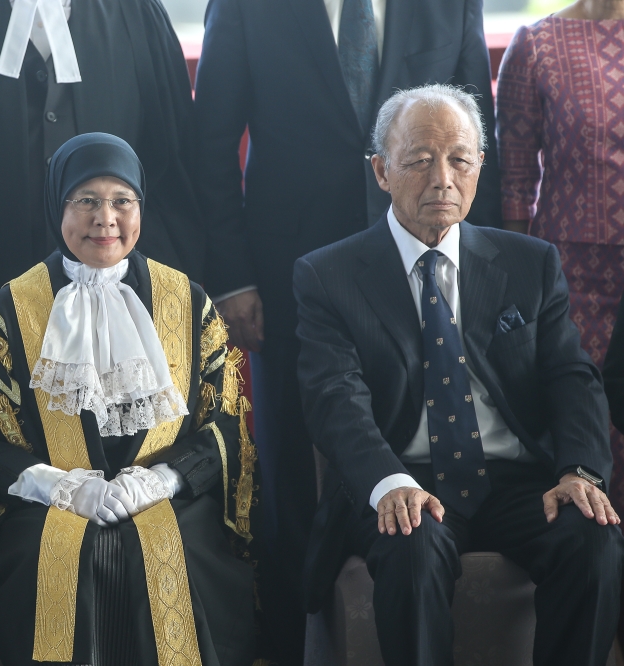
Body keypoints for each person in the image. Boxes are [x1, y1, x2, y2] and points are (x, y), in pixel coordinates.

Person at [192, 2, 501, 658]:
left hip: (427, 261)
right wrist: (233, 277)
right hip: (286, 273)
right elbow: (211, 140)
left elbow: (482, 142)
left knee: (419, 449)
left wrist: (483, 278)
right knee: (292, 472)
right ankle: (289, 643)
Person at [296, 83, 623, 665]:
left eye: (460, 159)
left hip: (514, 480)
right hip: (401, 477)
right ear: (381, 171)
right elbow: (334, 399)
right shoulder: (329, 276)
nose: (442, 177)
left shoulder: (530, 263)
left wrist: (579, 470)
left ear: (479, 168)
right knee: (410, 545)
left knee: (592, 539)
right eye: (420, 160)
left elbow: (572, 378)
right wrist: (389, 483)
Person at [0, 0, 204, 549]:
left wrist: (166, 305)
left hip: (116, 305)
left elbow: (173, 157)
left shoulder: (134, 11)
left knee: (119, 506)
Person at [0, 133, 259, 665]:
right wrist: (58, 487)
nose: (104, 218)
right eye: (85, 200)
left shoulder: (189, 301)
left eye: (122, 201)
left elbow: (226, 424)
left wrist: (164, 478)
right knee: (73, 555)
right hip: (46, 509)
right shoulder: (10, 308)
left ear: (141, 208)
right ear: (57, 206)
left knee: (165, 553)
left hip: (170, 502)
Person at [497, 0, 624, 512]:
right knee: (580, 421)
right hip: (570, 278)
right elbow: (514, 183)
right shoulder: (535, 44)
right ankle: (592, 565)